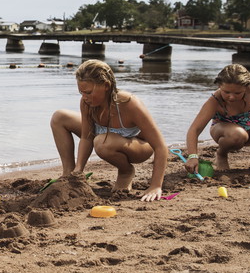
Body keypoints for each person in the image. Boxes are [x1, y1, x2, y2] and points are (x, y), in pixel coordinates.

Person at [50, 59, 168, 201]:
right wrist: (78, 171)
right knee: (59, 117)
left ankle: (125, 171)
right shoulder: (87, 103)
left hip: (138, 146)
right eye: (81, 93)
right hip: (104, 136)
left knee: (102, 142)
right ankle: (69, 174)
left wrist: (155, 185)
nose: (84, 97)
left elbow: (160, 146)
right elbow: (86, 137)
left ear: (106, 85)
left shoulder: (129, 103)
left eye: (88, 92)